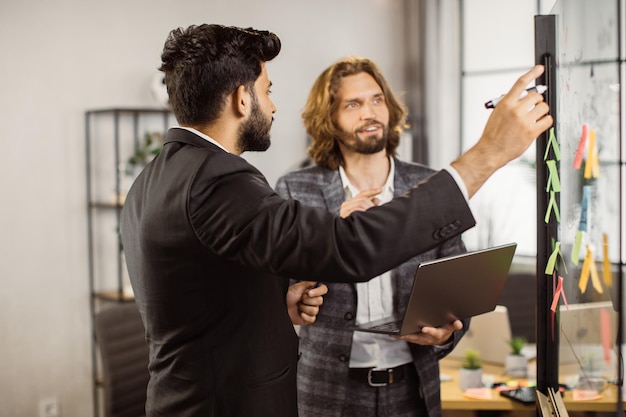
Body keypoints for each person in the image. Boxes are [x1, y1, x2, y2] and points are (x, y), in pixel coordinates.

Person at [120, 23, 552, 417]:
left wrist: (278, 307)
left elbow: (206, 300)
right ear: (241, 98)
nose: (272, 106)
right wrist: (489, 153)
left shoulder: (155, 178)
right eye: (268, 90)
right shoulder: (219, 180)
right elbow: (351, 248)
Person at [274, 56, 468, 417]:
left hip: (413, 387)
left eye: (377, 100)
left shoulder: (429, 185)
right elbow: (281, 291)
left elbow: (457, 282)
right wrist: (335, 232)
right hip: (330, 391)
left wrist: (448, 332)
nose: (370, 112)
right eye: (353, 104)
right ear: (329, 118)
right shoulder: (295, 189)